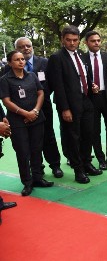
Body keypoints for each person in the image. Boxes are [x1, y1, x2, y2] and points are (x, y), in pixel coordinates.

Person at [47, 25, 102, 184]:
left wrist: (92, 85)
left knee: (88, 135)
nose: (72, 43)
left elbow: (83, 76)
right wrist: (65, 108)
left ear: (79, 40)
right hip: (69, 104)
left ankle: (87, 163)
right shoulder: (56, 58)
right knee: (73, 138)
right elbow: (57, 85)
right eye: (68, 40)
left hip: (86, 100)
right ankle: (78, 170)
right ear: (62, 40)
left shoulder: (80, 55)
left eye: (75, 40)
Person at [0, 50, 54, 196]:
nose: (21, 61)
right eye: (17, 59)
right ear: (10, 63)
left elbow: (41, 93)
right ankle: (27, 182)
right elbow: (6, 101)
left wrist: (35, 111)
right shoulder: (5, 80)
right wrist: (25, 114)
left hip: (36, 118)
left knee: (37, 149)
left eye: (22, 59)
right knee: (23, 152)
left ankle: (38, 178)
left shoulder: (32, 76)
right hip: (18, 121)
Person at [11, 37, 63, 178]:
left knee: (48, 136)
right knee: (31, 140)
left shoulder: (45, 63)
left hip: (43, 106)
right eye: (22, 47)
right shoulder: (9, 67)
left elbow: (52, 83)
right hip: (22, 111)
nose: (26, 48)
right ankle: (37, 169)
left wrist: (39, 102)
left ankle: (55, 165)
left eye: (28, 45)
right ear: (17, 49)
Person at [83, 31, 107, 170]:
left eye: (98, 40)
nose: (97, 43)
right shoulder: (82, 58)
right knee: (94, 130)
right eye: (93, 41)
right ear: (86, 43)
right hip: (91, 98)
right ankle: (100, 159)